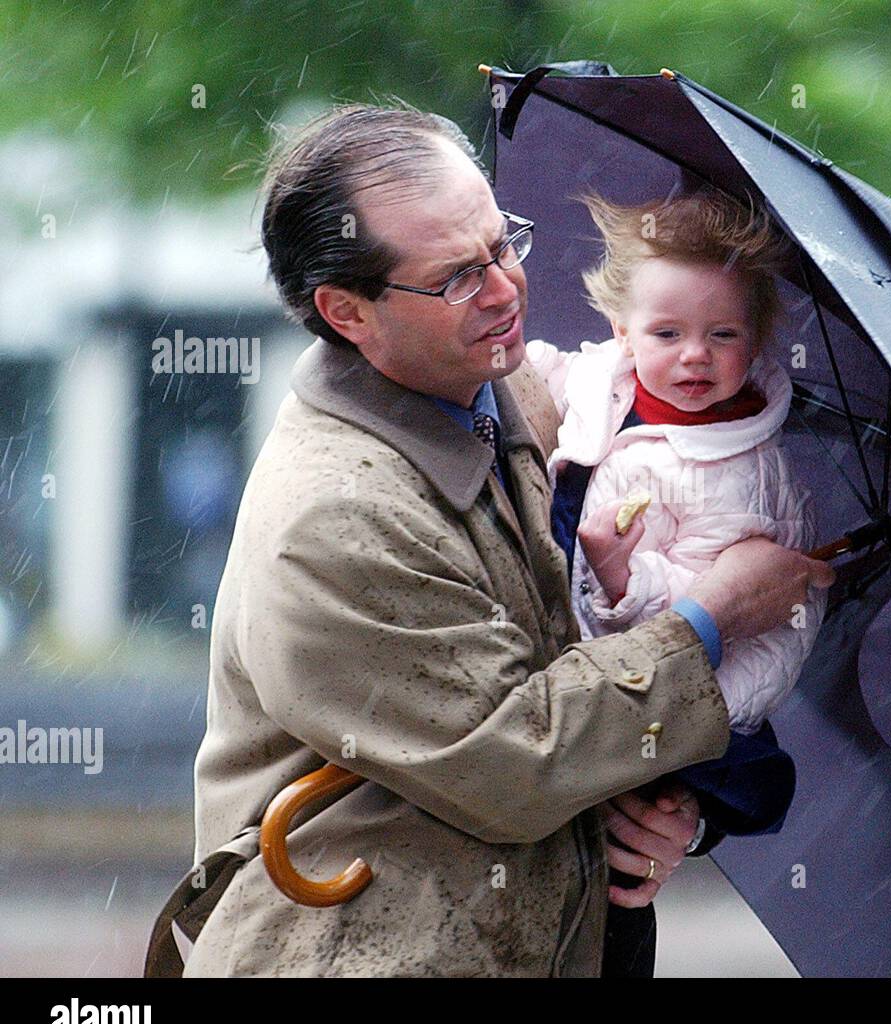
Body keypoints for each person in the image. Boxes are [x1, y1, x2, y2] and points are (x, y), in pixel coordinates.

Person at [144, 102, 834, 978]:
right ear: (346, 312)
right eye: (458, 278)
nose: (507, 289)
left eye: (503, 244)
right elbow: (520, 759)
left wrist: (677, 820)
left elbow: (590, 690)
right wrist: (716, 614)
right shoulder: (334, 516)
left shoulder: (532, 400)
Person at [527, 190, 826, 975]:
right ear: (621, 330)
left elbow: (729, 600)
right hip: (585, 706)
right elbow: (554, 380)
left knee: (640, 832)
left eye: (722, 335)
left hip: (698, 703)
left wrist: (630, 583)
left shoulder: (744, 474)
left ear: (757, 338)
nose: (695, 356)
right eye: (668, 333)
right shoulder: (605, 389)